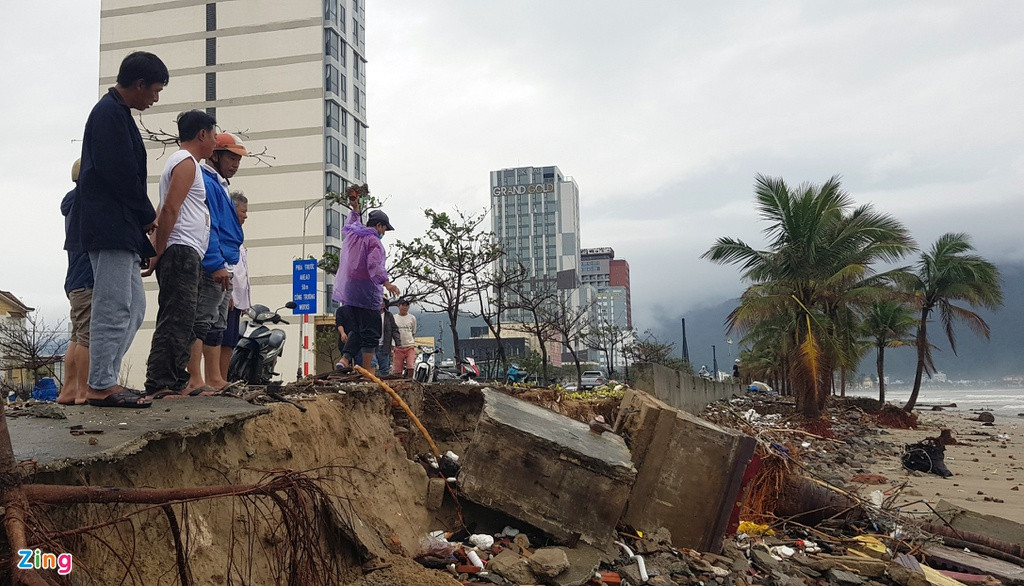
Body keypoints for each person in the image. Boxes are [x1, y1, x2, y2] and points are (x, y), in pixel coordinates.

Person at [65, 51, 168, 408]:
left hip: (119, 226)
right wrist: (145, 212)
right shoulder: (109, 114)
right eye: (155, 90)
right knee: (112, 305)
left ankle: (105, 377)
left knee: (134, 306)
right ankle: (100, 384)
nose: (155, 98)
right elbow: (120, 173)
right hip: (108, 225)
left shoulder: (117, 113)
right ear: (139, 85)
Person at [143, 110, 217, 398]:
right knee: (176, 318)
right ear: (202, 134)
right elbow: (170, 209)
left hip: (185, 250)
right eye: (212, 135)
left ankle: (175, 380)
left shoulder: (185, 164)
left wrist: (155, 247)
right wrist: (157, 250)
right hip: (180, 250)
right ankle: (161, 382)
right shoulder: (186, 163)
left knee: (183, 318)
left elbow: (163, 207)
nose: (214, 142)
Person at [186, 134, 248, 392]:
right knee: (202, 321)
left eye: (237, 159)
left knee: (217, 323)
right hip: (215, 261)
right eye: (231, 158)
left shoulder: (219, 184)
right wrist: (215, 261)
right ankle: (195, 378)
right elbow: (208, 224)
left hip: (225, 260)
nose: (235, 164)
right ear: (216, 155)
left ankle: (213, 377)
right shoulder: (207, 182)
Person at [331, 184, 400, 374]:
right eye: (384, 229)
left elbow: (351, 223)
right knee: (371, 332)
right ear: (379, 226)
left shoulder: (354, 234)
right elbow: (374, 265)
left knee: (358, 329)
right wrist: (385, 282)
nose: (384, 233)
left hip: (350, 290)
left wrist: (355, 208)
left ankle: (345, 360)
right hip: (366, 291)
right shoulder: (373, 241)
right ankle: (367, 370)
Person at [58, 159, 92, 406]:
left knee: (77, 336)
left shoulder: (72, 201)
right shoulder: (87, 201)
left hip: (74, 279)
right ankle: (83, 391)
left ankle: (69, 390)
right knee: (87, 337)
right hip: (87, 277)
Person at [219, 191, 250, 380]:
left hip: (238, 300)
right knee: (221, 340)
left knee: (230, 341)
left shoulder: (238, 236)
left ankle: (222, 378)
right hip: (227, 296)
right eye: (243, 211)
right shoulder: (224, 233)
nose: (246, 216)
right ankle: (217, 379)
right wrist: (227, 294)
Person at [391, 300, 417, 377]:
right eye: (403, 305)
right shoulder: (394, 317)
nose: (405, 307)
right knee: (397, 369)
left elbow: (413, 331)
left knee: (411, 366)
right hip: (398, 347)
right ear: (399, 306)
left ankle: (410, 381)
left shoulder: (412, 318)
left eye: (406, 305)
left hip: (409, 345)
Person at [376, 302, 401, 375]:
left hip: (385, 346)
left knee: (384, 370)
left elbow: (394, 329)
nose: (381, 303)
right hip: (372, 345)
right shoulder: (371, 314)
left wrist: (398, 342)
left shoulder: (389, 315)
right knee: (372, 365)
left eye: (383, 302)